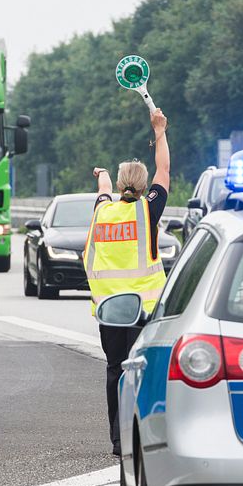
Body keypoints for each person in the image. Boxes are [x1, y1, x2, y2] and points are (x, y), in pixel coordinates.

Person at [83, 108, 169, 456]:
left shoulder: (104, 210)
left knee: (114, 369)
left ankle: (118, 441)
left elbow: (103, 189)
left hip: (108, 310)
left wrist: (102, 174)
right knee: (143, 372)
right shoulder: (146, 210)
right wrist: (159, 131)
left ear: (119, 186)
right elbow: (164, 169)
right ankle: (143, 435)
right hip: (143, 310)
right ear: (144, 185)